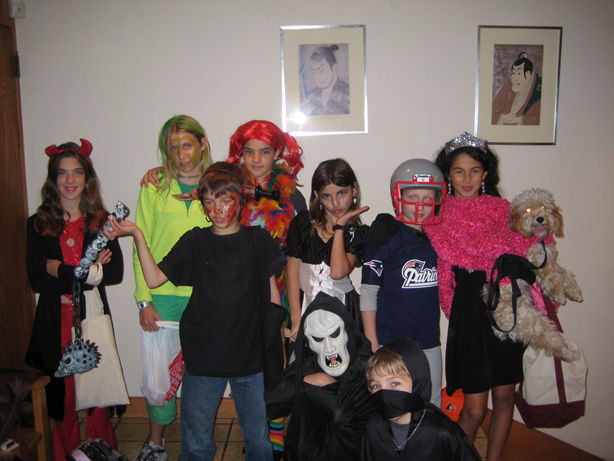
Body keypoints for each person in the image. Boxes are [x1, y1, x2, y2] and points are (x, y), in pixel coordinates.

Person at [106, 162, 283, 461]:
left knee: (258, 440)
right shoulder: (195, 240)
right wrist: (136, 233)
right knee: (197, 442)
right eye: (209, 202)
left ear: (240, 200)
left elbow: (273, 299)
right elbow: (154, 279)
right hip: (203, 356)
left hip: (250, 356)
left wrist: (275, 347)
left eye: (225, 201)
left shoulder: (258, 240)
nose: (217, 210)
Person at [426, 131, 540, 461]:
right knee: (474, 409)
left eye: (474, 171)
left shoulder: (507, 211)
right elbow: (443, 276)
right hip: (469, 313)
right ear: (448, 174)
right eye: (459, 171)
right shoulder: (439, 214)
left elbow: (529, 252)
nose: (467, 179)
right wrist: (453, 312)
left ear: (485, 173)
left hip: (506, 308)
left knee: (505, 396)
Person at [25, 139, 123, 461]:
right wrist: (90, 271)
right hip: (56, 320)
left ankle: (100, 451)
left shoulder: (102, 222)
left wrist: (61, 270)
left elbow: (115, 273)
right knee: (63, 398)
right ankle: (65, 454)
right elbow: (37, 279)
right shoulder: (37, 224)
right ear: (53, 179)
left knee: (97, 394)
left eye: (77, 172)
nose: (70, 180)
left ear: (87, 178)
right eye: (62, 173)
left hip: (91, 317)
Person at [132, 115, 212, 461]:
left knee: (201, 379)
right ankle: (156, 443)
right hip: (162, 299)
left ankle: (197, 445)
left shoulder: (218, 187)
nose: (181, 155)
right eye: (172, 148)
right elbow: (142, 246)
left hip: (205, 299)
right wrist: (143, 300)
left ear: (202, 145)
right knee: (159, 379)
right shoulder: (154, 187)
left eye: (187, 145)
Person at [228, 119, 306, 458]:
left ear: (277, 154)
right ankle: (255, 432)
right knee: (246, 365)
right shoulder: (228, 191)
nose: (256, 160)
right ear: (240, 154)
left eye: (264, 152)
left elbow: (300, 252)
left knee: (276, 364)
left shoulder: (292, 196)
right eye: (249, 152)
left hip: (280, 292)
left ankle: (275, 432)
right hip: (238, 293)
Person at [361, 158, 446, 406]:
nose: (420, 204)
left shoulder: (439, 238)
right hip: (390, 340)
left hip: (428, 339)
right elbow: (368, 292)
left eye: (427, 198)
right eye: (412, 196)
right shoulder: (386, 236)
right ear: (398, 196)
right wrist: (372, 341)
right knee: (392, 405)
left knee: (432, 403)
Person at [265, 292, 374, 461]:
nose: (329, 348)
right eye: (318, 339)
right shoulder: (309, 364)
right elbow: (273, 402)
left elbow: (345, 418)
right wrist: (305, 382)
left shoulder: (364, 367)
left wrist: (324, 388)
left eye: (334, 334)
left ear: (347, 332)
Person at [286, 158, 369, 341]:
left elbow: (338, 273)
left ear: (354, 189)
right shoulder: (303, 224)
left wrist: (339, 228)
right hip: (305, 307)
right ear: (317, 195)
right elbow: (292, 271)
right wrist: (296, 320)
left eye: (342, 193)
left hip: (344, 309)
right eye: (326, 196)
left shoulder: (357, 233)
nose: (335, 203)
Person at [362, 337, 481, 460]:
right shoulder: (373, 428)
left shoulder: (442, 433)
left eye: (394, 383)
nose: (384, 394)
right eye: (376, 386)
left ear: (417, 383)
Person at [492, 52, 541, 125]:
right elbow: (493, 109)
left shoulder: (538, 90)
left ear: (528, 74)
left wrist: (522, 120)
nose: (514, 79)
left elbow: (542, 118)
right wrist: (502, 118)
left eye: (519, 73)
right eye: (513, 73)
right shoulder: (510, 85)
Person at [302, 45, 350, 115]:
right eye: (314, 72)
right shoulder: (312, 96)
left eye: (321, 71)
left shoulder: (347, 91)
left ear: (334, 68)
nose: (318, 77)